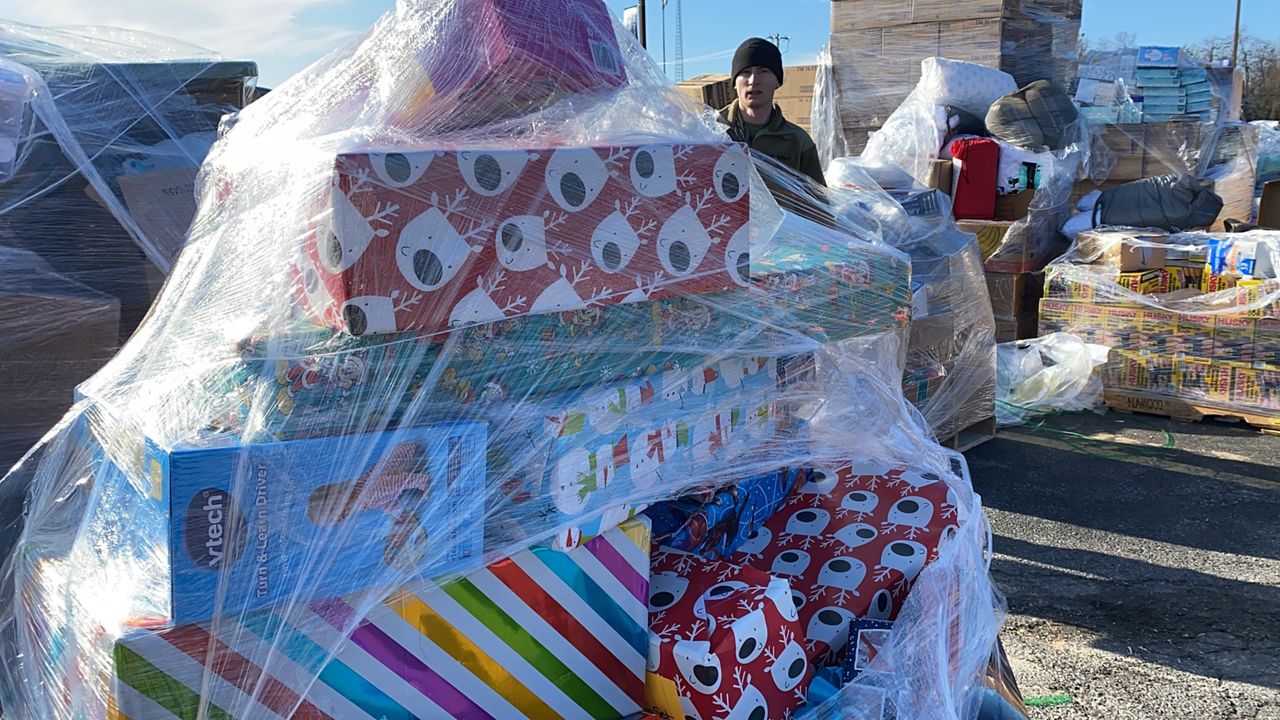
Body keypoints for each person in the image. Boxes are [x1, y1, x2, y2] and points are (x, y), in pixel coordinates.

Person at [719, 37, 825, 187]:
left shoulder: (796, 141)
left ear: (778, 82)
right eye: (746, 72)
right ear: (735, 82)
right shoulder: (711, 131)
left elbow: (818, 202)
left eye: (763, 71)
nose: (753, 80)